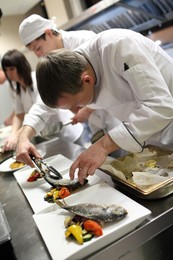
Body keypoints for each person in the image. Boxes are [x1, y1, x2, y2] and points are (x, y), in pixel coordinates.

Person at [30, 28, 173, 184]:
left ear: (87, 81)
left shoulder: (119, 46)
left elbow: (159, 106)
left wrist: (103, 146)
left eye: (77, 104)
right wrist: (25, 134)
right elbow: (45, 106)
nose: (76, 110)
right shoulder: (72, 69)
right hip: (152, 140)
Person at [16, 14, 121, 159]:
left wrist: (87, 109)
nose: (38, 54)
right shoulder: (50, 63)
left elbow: (110, 82)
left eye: (38, 47)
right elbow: (43, 103)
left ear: (48, 33)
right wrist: (24, 137)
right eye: (34, 51)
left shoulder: (85, 41)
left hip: (117, 117)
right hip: (98, 128)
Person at [1, 49, 83, 151]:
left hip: (66, 129)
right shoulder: (15, 87)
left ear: (21, 66)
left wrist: (19, 134)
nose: (9, 73)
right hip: (49, 134)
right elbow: (19, 114)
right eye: (6, 70)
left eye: (12, 69)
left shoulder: (37, 79)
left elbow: (41, 110)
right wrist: (13, 134)